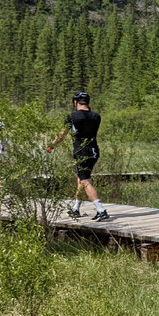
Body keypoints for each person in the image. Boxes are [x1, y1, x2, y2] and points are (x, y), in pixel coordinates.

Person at [46, 92, 109, 222]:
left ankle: (101, 210)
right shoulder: (96, 116)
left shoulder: (72, 117)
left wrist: (51, 145)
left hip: (81, 151)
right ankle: (76, 208)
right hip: (94, 151)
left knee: (85, 181)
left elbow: (62, 134)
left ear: (75, 102)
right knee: (81, 178)